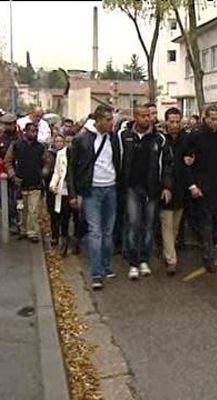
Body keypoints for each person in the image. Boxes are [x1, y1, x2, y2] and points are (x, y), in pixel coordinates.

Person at [68, 105, 121, 290]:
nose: (111, 123)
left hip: (111, 188)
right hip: (92, 191)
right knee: (95, 232)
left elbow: (117, 162)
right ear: (98, 120)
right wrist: (74, 194)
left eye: (112, 119)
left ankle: (106, 267)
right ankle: (96, 273)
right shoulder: (82, 139)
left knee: (108, 231)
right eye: (107, 119)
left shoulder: (113, 138)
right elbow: (72, 169)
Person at [117, 105, 172, 280]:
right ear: (136, 117)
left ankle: (144, 260)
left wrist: (166, 186)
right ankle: (133, 262)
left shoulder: (160, 138)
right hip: (132, 187)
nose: (146, 119)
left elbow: (167, 165)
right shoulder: (123, 136)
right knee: (133, 224)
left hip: (152, 189)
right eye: (142, 116)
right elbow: (117, 160)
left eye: (149, 116)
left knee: (148, 226)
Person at [183, 105, 217, 273]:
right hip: (202, 185)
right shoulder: (195, 136)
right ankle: (208, 257)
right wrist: (192, 185)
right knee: (206, 223)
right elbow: (187, 162)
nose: (216, 122)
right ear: (205, 118)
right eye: (213, 119)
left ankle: (214, 245)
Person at [4, 122, 46, 242]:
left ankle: (32, 232)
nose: (34, 133)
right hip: (20, 182)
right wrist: (12, 174)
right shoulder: (16, 145)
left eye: (35, 131)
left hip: (36, 182)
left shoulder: (41, 147)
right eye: (31, 131)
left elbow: (46, 161)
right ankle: (23, 229)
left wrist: (44, 172)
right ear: (25, 132)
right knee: (22, 209)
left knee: (33, 210)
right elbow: (8, 161)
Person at [159, 107, 187, 276]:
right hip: (165, 189)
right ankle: (172, 260)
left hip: (182, 189)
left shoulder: (187, 139)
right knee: (167, 225)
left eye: (178, 122)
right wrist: (163, 186)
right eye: (172, 122)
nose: (175, 125)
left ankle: (168, 251)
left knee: (175, 227)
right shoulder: (161, 140)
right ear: (166, 122)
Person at [0, 113, 21, 233]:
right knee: (5, 198)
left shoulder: (20, 136)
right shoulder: (1, 136)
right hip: (2, 171)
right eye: (5, 124)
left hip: (16, 170)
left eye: (9, 124)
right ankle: (9, 219)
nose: (6, 127)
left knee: (16, 198)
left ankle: (15, 220)